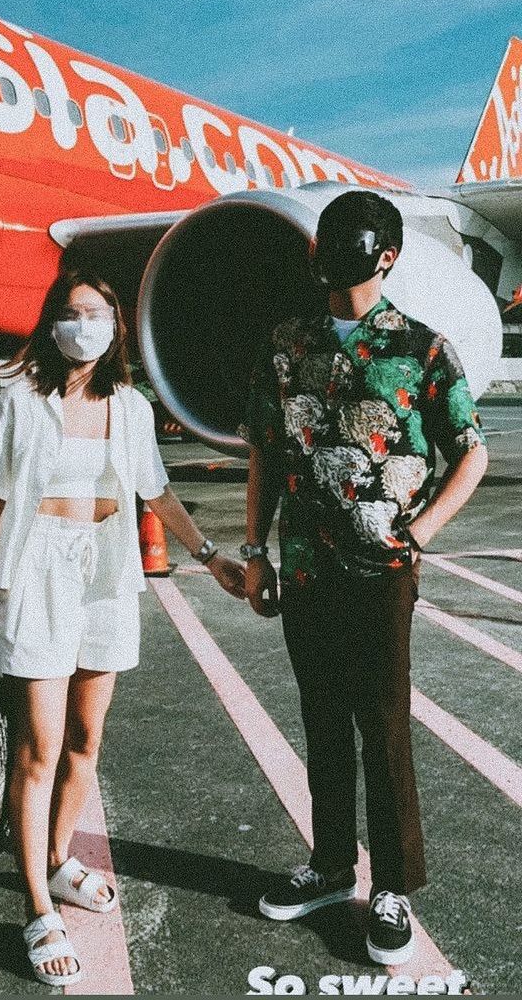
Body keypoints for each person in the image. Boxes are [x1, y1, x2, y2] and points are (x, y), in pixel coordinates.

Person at [0, 267, 245, 988]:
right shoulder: (20, 400)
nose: (81, 323)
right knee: (38, 750)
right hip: (35, 576)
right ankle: (34, 908)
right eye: (68, 311)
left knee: (86, 740)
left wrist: (211, 559)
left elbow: (159, 492)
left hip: (106, 579)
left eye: (95, 312)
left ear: (117, 325)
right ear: (52, 325)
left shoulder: (132, 405)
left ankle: (57, 861)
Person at [238, 189, 488, 966]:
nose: (334, 251)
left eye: (353, 239)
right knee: (321, 721)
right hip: (308, 568)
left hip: (382, 571)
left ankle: (392, 887)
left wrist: (418, 533)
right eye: (328, 237)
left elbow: (470, 450)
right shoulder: (287, 343)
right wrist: (254, 552)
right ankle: (331, 866)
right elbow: (266, 454)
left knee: (380, 725)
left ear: (387, 255)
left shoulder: (422, 348)